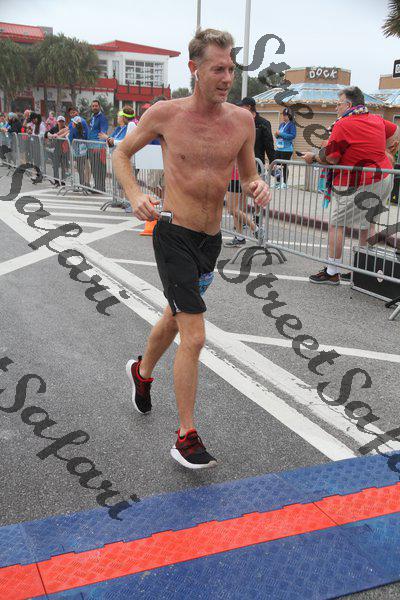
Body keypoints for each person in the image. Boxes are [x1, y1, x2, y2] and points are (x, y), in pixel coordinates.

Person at [114, 28, 271, 469]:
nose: (227, 78)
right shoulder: (165, 114)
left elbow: (249, 174)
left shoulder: (241, 121)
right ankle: (185, 436)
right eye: (218, 69)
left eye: (231, 69)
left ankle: (141, 373)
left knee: (174, 315)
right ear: (194, 69)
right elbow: (121, 154)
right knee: (195, 335)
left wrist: (258, 187)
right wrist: (134, 195)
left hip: (210, 241)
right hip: (173, 234)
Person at [303, 86, 400, 285]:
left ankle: (332, 271)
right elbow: (396, 131)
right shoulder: (376, 119)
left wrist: (313, 157)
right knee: (368, 223)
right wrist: (388, 152)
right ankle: (362, 270)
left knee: (337, 224)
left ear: (348, 105)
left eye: (338, 104)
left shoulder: (343, 124)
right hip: (383, 177)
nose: (335, 108)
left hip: (357, 182)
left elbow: (331, 158)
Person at [225, 96, 274, 247]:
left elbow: (268, 144)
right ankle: (240, 236)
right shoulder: (237, 124)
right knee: (236, 207)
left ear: (249, 107)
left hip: (245, 169)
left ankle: (256, 228)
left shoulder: (260, 124)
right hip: (236, 170)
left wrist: (273, 163)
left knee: (232, 208)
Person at [87, 99, 108, 192]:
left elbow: (103, 131)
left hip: (98, 147)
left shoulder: (102, 118)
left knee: (100, 168)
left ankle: (101, 187)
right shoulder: (93, 117)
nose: (94, 107)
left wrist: (100, 146)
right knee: (94, 168)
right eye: (93, 106)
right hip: (91, 146)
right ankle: (97, 186)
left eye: (96, 106)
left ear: (99, 107)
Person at [273, 107, 297, 188]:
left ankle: (285, 183)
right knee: (276, 165)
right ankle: (278, 182)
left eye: (286, 115)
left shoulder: (292, 125)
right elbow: (278, 135)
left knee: (284, 165)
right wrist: (276, 135)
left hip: (287, 149)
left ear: (289, 116)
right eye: (283, 115)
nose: (284, 117)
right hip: (279, 147)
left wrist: (281, 134)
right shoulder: (281, 124)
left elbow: (292, 136)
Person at [45, 115, 70, 185]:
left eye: (62, 121)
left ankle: (63, 182)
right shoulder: (54, 128)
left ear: (64, 122)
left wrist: (57, 136)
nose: (61, 123)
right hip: (56, 149)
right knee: (55, 166)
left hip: (64, 150)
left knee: (64, 166)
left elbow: (67, 135)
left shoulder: (66, 129)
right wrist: (50, 135)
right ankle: (56, 181)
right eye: (60, 121)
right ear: (57, 122)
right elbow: (46, 133)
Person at [70, 116, 90, 187]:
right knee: (84, 166)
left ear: (75, 124)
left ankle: (82, 183)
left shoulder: (73, 130)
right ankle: (85, 183)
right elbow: (87, 138)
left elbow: (70, 139)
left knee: (79, 167)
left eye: (73, 122)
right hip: (84, 151)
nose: (72, 123)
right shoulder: (84, 130)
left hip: (77, 152)